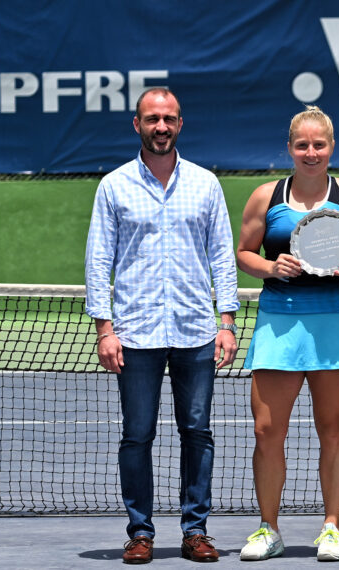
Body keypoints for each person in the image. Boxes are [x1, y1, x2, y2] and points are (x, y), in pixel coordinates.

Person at [84, 87, 238, 564]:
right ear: (138, 124)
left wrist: (227, 321)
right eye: (152, 119)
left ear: (180, 123)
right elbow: (98, 260)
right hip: (135, 333)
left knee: (198, 433)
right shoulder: (113, 186)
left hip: (196, 331)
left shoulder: (206, 184)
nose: (161, 127)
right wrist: (105, 329)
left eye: (169, 118)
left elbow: (222, 256)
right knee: (137, 436)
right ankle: (140, 533)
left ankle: (196, 531)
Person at [234, 106, 339, 561]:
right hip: (279, 322)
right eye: (302, 145)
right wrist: (270, 266)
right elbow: (244, 253)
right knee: (266, 430)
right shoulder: (265, 196)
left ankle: (331, 528)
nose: (310, 153)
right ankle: (269, 529)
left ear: (331, 147)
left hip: (334, 320)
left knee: (333, 429)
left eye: (319, 145)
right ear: (290, 149)